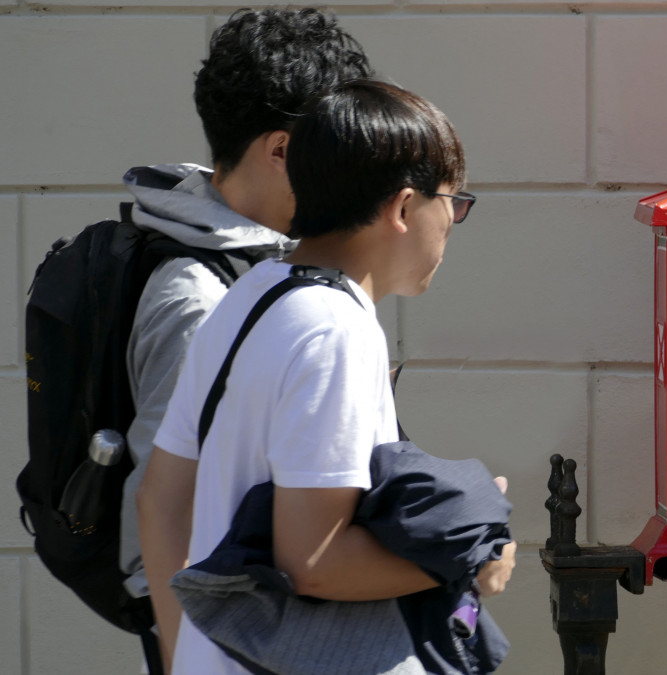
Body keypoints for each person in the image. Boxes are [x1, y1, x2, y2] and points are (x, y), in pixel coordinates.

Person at [138, 80, 517, 675]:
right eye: (453, 202)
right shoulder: (336, 328)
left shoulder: (250, 295)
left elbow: (160, 499)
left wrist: (189, 656)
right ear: (403, 207)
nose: (451, 224)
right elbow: (311, 560)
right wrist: (473, 556)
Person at [118, 7, 373, 669]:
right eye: (338, 146)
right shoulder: (200, 297)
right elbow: (165, 510)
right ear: (283, 150)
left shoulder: (268, 268)